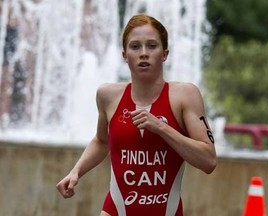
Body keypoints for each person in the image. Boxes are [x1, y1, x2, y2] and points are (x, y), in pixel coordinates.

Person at [56, 14, 217, 216]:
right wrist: (76, 171)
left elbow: (209, 161)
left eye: (151, 46)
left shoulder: (185, 96)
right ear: (124, 55)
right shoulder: (108, 96)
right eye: (135, 47)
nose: (143, 53)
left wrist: (161, 128)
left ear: (165, 53)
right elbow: (101, 141)